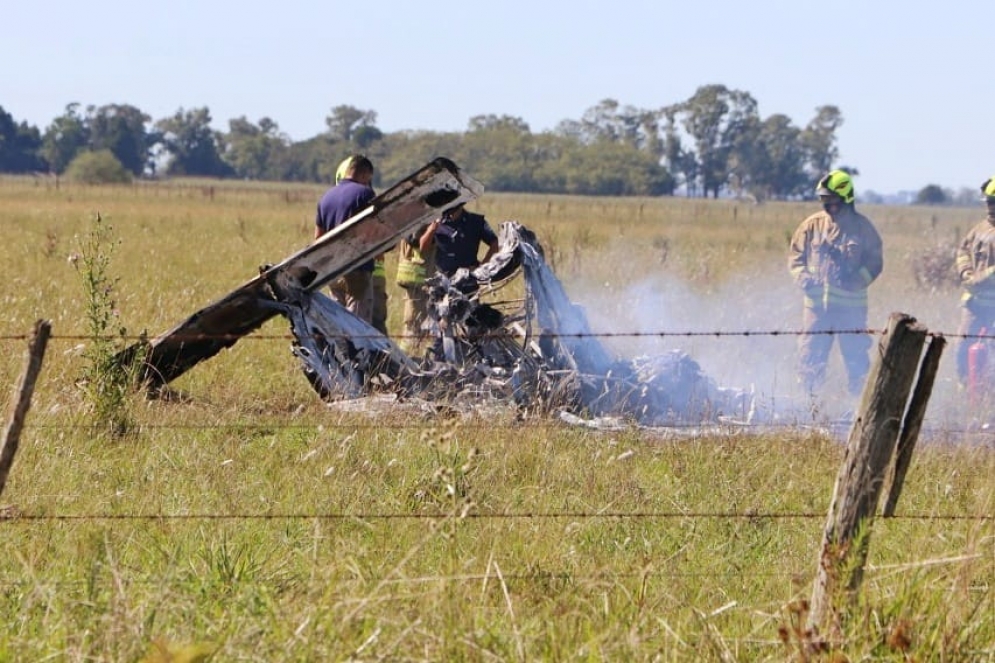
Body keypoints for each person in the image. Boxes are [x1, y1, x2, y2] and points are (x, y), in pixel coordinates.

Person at [788, 170, 883, 395]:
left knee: (857, 364)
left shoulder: (863, 228)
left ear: (846, 198)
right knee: (810, 361)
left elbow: (875, 263)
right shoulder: (811, 226)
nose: (827, 205)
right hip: (816, 310)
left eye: (831, 200)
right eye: (823, 199)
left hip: (851, 311)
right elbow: (795, 258)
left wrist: (856, 281)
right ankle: (809, 407)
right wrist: (803, 278)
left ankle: (858, 407)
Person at [315, 155, 376, 324]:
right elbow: (374, 229)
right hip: (357, 267)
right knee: (357, 325)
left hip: (332, 270)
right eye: (368, 179)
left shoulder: (326, 197)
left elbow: (318, 238)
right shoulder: (364, 193)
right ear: (364, 174)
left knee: (337, 322)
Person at [954, 175, 995, 386]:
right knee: (962, 348)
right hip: (974, 305)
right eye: (989, 201)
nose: (990, 207)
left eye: (994, 202)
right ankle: (964, 391)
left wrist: (979, 279)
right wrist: (966, 273)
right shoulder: (980, 228)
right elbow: (963, 250)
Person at [418, 203, 499, 277]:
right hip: (442, 278)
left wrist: (482, 267)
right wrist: (431, 230)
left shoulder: (476, 221)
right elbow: (423, 248)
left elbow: (495, 243)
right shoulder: (435, 222)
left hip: (467, 278)